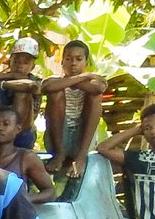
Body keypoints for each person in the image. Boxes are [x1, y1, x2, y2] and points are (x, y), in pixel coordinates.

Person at [43, 40, 107, 178]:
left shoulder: (93, 81)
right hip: (58, 138)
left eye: (79, 59)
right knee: (56, 92)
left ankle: (81, 157)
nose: (73, 63)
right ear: (62, 62)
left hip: (82, 139)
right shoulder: (54, 80)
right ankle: (60, 154)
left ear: (86, 63)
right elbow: (48, 87)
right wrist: (84, 76)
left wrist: (72, 80)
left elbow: (98, 88)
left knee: (95, 96)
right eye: (68, 59)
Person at [0, 106, 56, 203]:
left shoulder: (26, 158)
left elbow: (50, 192)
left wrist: (23, 200)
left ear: (18, 129)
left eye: (6, 124)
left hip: (11, 212)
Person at [0, 37, 42, 150]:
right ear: (10, 61)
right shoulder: (3, 77)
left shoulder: (35, 80)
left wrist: (3, 84)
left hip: (23, 132)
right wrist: (10, 76)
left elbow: (30, 86)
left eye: (26, 63)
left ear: (32, 66)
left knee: (22, 92)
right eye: (16, 61)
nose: (20, 65)